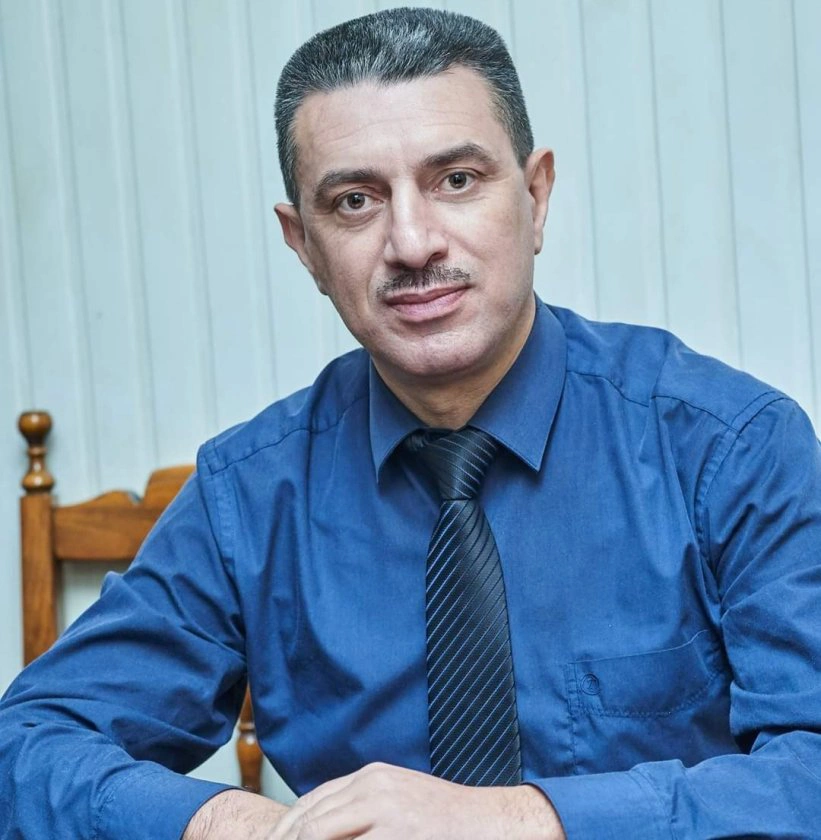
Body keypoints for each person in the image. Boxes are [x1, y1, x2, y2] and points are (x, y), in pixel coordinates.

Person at [2, 7, 821, 839]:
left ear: (535, 197)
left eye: (455, 180)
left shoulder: (731, 448)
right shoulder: (250, 495)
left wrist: (519, 820)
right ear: (304, 246)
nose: (412, 241)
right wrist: (233, 826)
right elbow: (27, 748)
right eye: (355, 201)